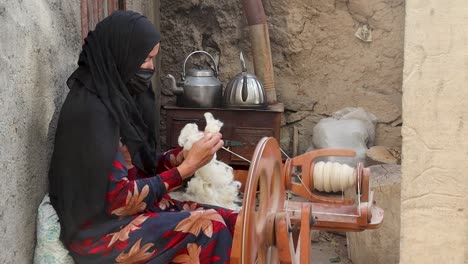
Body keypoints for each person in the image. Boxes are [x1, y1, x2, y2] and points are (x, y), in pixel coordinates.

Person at [48, 10, 238, 264]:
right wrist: (185, 168)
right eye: (146, 58)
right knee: (209, 227)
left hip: (126, 216)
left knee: (233, 219)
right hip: (99, 235)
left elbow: (140, 166)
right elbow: (119, 201)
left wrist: (178, 157)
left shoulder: (114, 100)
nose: (151, 67)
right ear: (123, 55)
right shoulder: (91, 114)